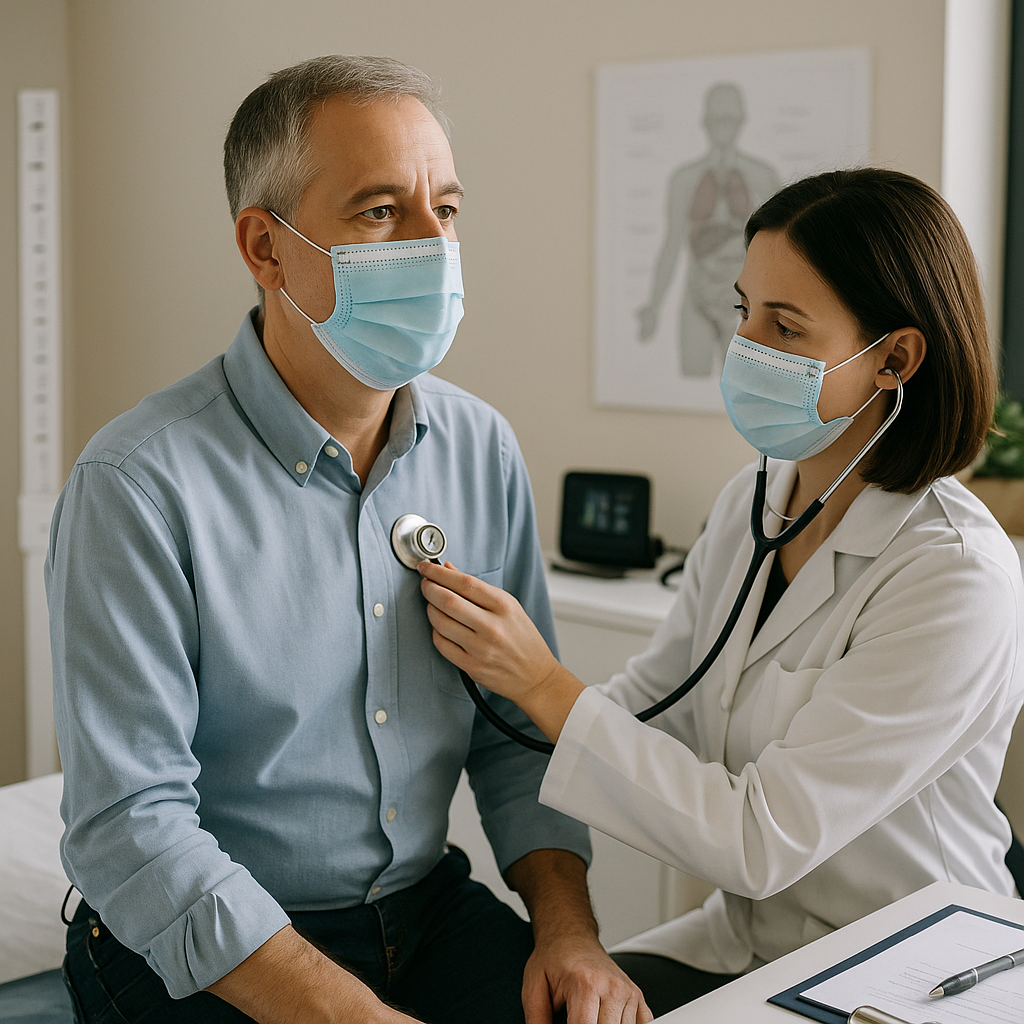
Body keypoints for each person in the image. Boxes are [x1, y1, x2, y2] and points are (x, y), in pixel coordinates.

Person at [47, 55, 649, 1024]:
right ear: (264, 247)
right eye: (379, 211)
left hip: (423, 914)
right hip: (207, 941)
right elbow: (132, 823)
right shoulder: (137, 484)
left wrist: (567, 930)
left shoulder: (481, 447)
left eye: (444, 209)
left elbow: (516, 740)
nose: (432, 245)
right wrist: (347, 1013)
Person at [418, 168, 1024, 1017]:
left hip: (908, 969)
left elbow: (758, 838)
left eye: (786, 324)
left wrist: (544, 685)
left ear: (894, 358)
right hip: (753, 945)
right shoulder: (756, 499)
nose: (747, 345)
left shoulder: (956, 577)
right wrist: (476, 707)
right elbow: (664, 700)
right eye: (745, 311)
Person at [635, 82, 780, 378]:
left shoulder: (763, 177)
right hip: (696, 297)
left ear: (741, 121)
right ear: (705, 123)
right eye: (716, 119)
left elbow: (780, 250)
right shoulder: (684, 179)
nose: (723, 127)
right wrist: (653, 306)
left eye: (729, 119)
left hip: (744, 303)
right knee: (692, 380)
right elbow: (671, 244)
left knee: (745, 391)